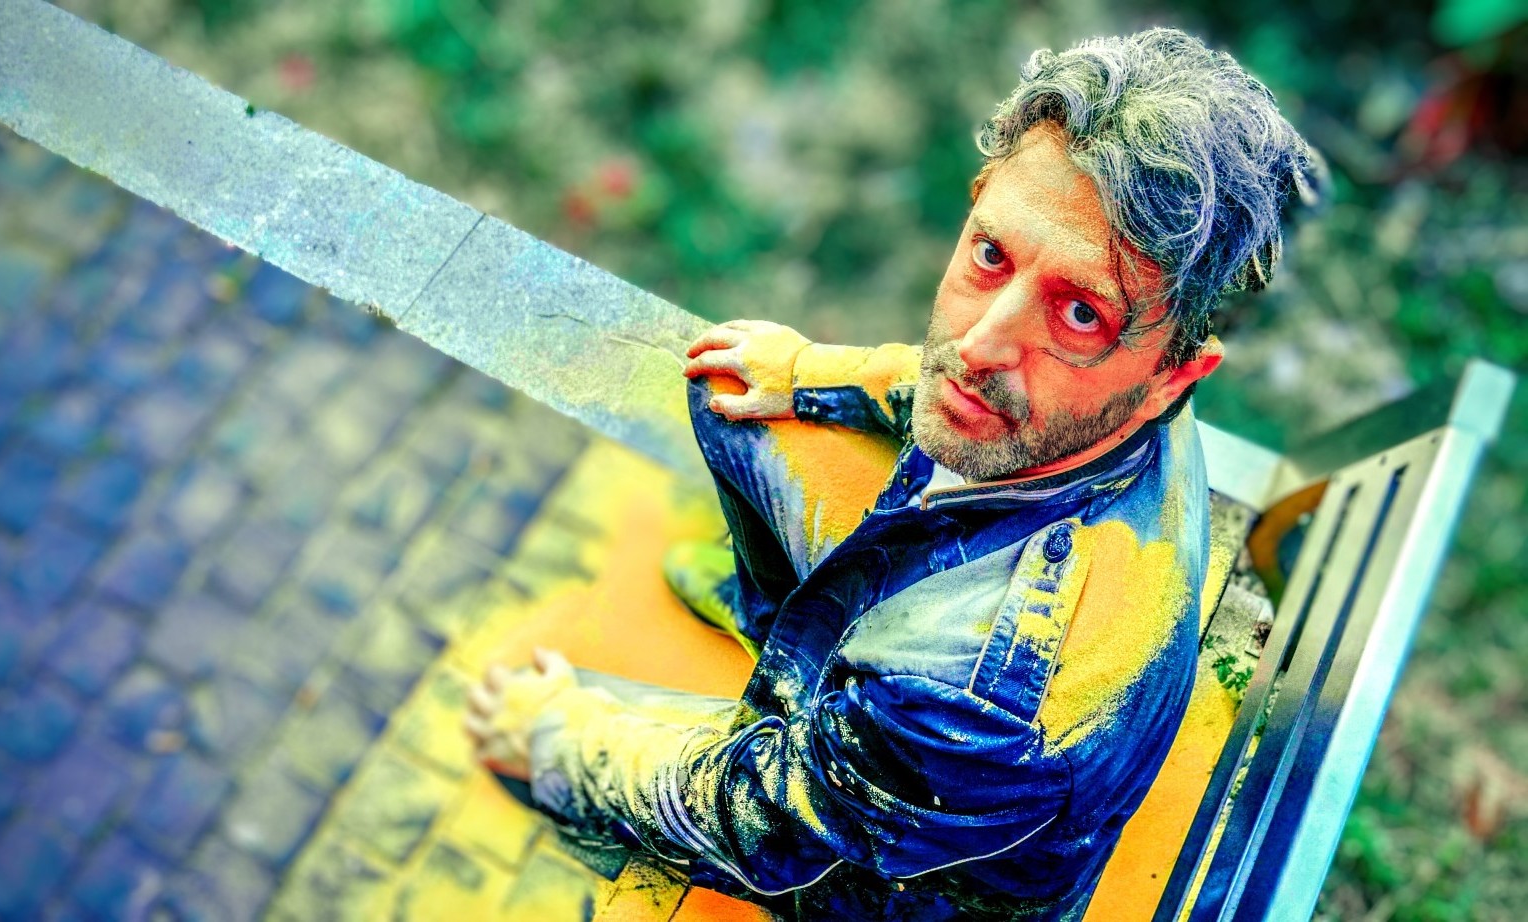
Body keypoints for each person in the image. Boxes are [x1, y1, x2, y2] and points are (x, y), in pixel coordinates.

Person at [465, 27, 1322, 920]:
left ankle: (805, 713)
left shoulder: (979, 694)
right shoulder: (1112, 405)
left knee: (595, 755)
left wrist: (559, 746)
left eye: (1077, 315)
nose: (980, 345)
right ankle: (784, 637)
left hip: (902, 877)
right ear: (979, 199)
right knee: (727, 389)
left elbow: (758, 820)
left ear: (1173, 377)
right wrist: (807, 373)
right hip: (919, 730)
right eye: (990, 256)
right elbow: (929, 373)